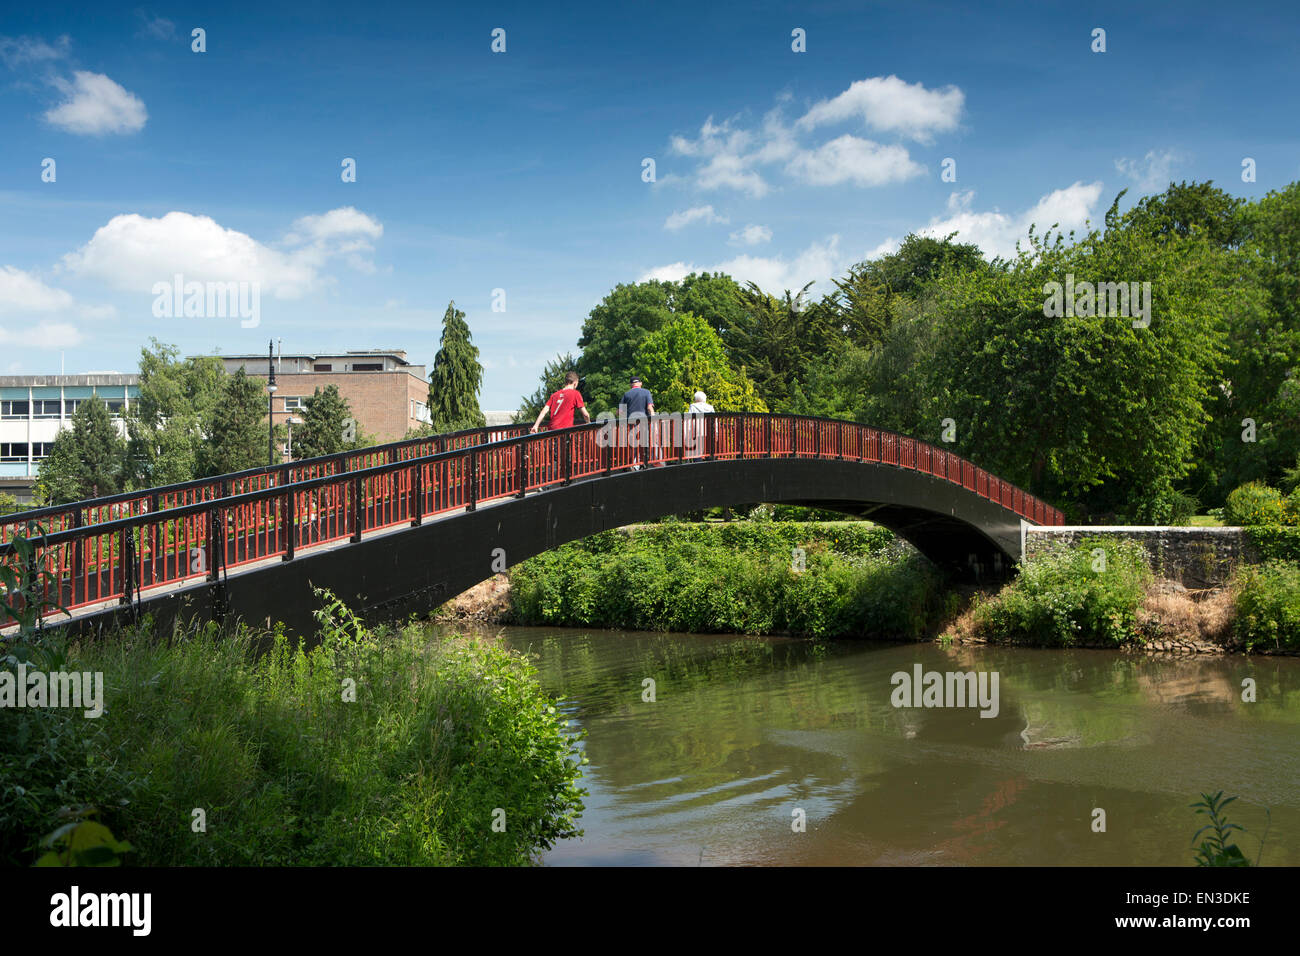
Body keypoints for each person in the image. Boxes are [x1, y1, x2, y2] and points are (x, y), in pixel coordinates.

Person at [619, 375, 655, 469]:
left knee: (632, 445)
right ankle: (644, 463)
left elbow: (620, 412)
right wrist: (654, 422)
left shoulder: (626, 394)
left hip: (630, 425)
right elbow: (650, 408)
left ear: (631, 385)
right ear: (640, 383)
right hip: (644, 423)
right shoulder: (646, 392)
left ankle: (632, 464)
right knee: (645, 443)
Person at [686, 390, 713, 459]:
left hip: (697, 433)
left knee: (697, 452)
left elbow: (689, 421)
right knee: (708, 450)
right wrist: (716, 432)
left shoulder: (693, 407)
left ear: (696, 399)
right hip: (709, 433)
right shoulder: (710, 407)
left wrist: (688, 434)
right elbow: (714, 420)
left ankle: (698, 466)